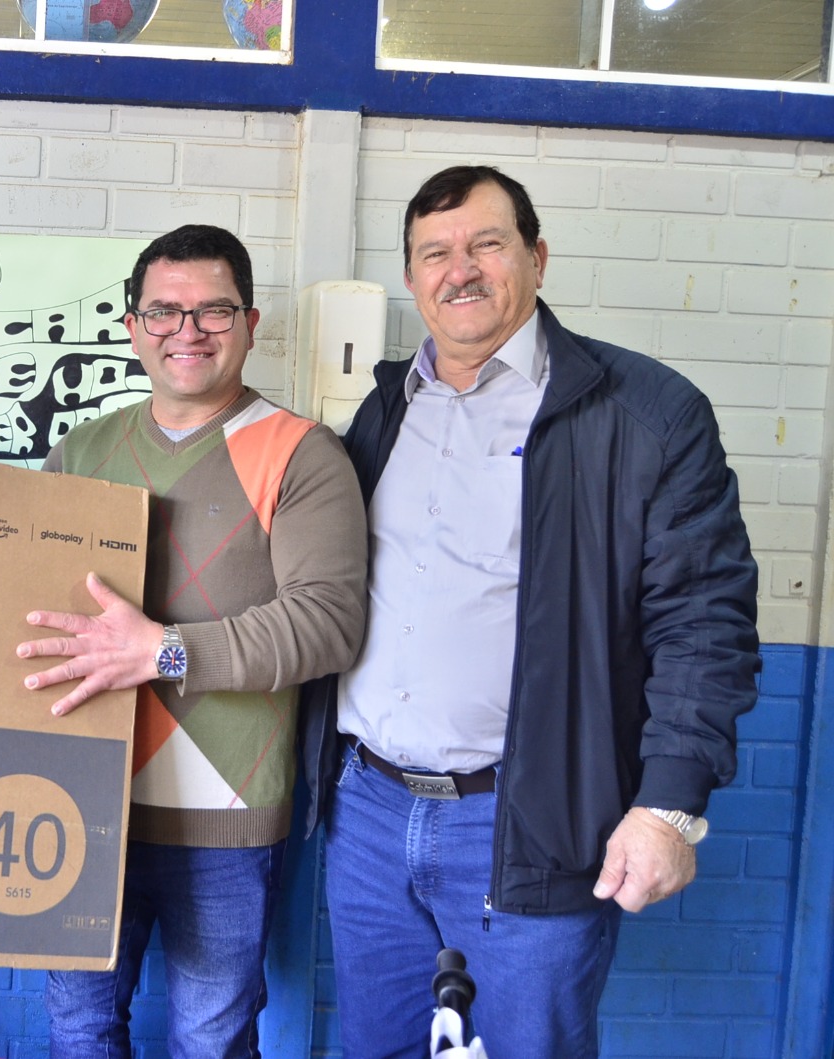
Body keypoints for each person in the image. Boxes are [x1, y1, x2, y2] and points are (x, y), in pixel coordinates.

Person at [309, 165, 759, 1059]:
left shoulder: (645, 414)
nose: (460, 270)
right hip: (369, 813)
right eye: (435, 253)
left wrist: (669, 806)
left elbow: (704, 622)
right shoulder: (386, 409)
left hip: (529, 819)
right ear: (412, 277)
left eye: (487, 243)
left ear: (537, 257)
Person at [17, 224, 368, 1057]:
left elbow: (329, 621)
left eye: (214, 310)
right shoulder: (83, 449)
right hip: (79, 801)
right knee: (79, 1029)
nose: (188, 331)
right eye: (164, 311)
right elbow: (22, 603)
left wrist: (162, 650)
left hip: (225, 821)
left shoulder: (302, 453)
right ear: (133, 325)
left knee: (210, 1040)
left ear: (250, 324)